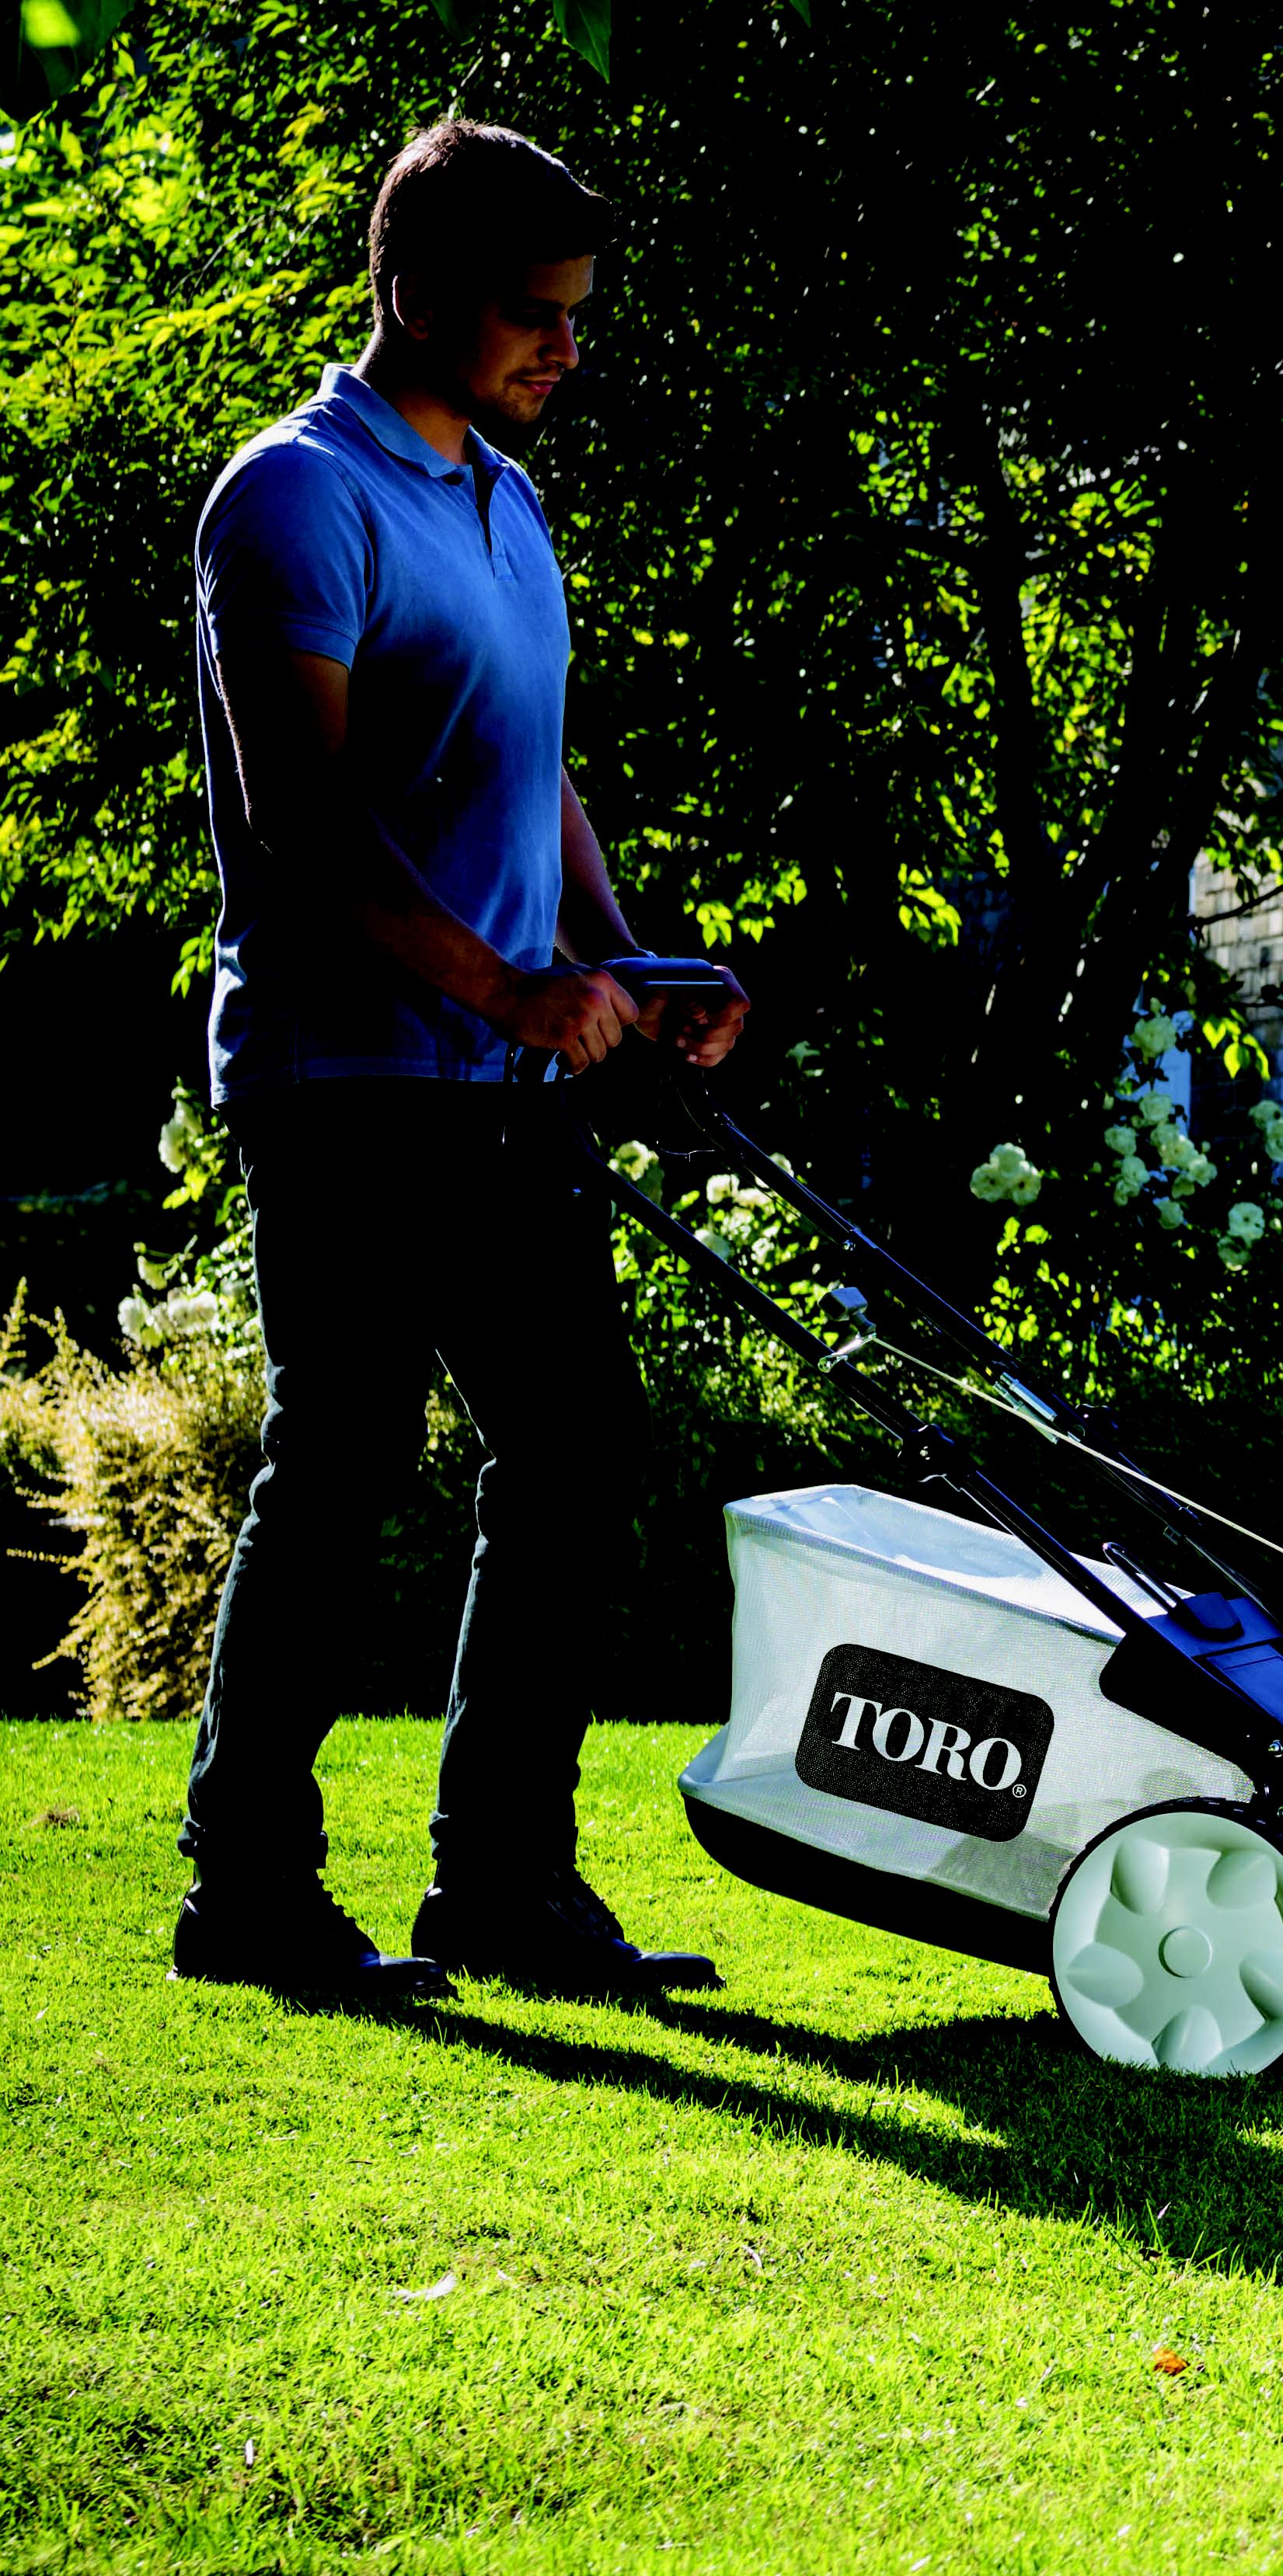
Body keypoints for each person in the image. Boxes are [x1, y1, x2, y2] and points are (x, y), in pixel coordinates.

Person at [171, 120, 748, 1999]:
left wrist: (617, 959)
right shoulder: (297, 497)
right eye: (530, 317)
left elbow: (536, 766)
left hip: (501, 1088)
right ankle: (242, 1888)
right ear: (410, 285)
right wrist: (502, 990)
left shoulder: (502, 499)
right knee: (343, 1463)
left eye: (578, 320)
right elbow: (301, 822)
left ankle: (499, 1882)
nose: (562, 353)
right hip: (347, 1080)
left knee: (578, 1448)